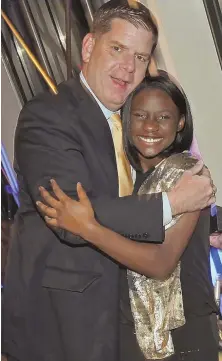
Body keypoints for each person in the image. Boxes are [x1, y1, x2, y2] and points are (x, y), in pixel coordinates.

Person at [3, 2, 216, 361]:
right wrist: (174, 204)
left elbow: (147, 191)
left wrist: (209, 218)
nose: (127, 67)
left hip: (129, 325)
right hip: (65, 324)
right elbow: (70, 214)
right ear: (89, 47)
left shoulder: (133, 125)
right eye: (117, 49)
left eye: (139, 56)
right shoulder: (49, 116)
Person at [37, 74, 219, 361]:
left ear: (180, 123)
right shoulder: (126, 181)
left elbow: (160, 263)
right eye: (140, 115)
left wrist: (88, 228)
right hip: (134, 339)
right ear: (126, 119)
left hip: (184, 340)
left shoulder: (188, 175)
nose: (150, 126)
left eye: (164, 117)